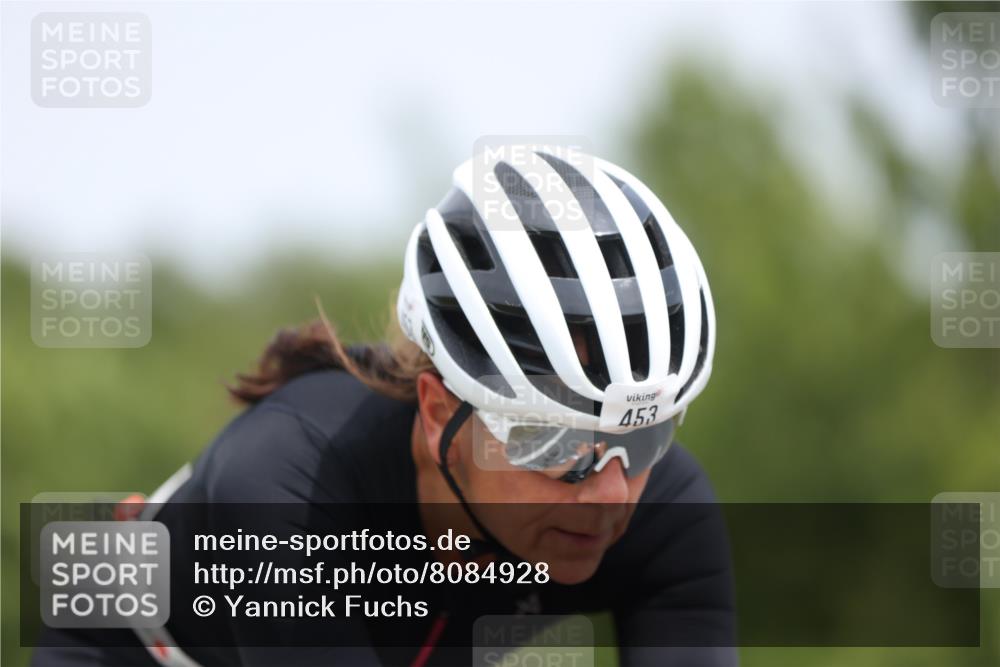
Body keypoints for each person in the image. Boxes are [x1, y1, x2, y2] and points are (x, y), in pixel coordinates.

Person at [31, 148, 736, 666]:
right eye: (556, 446)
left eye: (643, 439)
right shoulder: (285, 483)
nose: (609, 495)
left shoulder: (665, 513)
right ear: (438, 412)